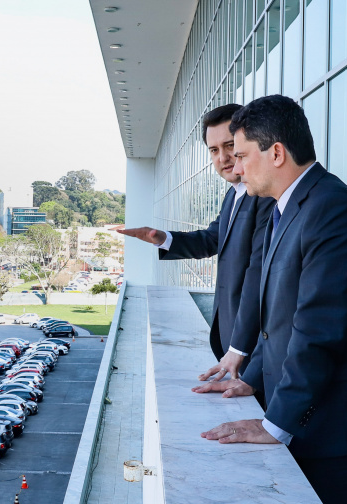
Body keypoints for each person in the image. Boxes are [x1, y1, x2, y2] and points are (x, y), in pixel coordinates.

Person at [193, 95, 347, 504]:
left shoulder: (332, 210)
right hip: (317, 417)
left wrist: (276, 423)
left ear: (276, 153)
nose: (235, 166)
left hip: (343, 427)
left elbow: (319, 329)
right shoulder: (288, 206)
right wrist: (250, 379)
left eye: (242, 154)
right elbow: (281, 317)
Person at [117, 104, 275, 382]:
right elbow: (214, 238)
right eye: (214, 150)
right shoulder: (234, 194)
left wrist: (239, 348)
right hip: (231, 339)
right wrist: (161, 238)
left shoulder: (264, 196)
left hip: (250, 345)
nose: (223, 157)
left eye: (229, 146)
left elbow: (257, 276)